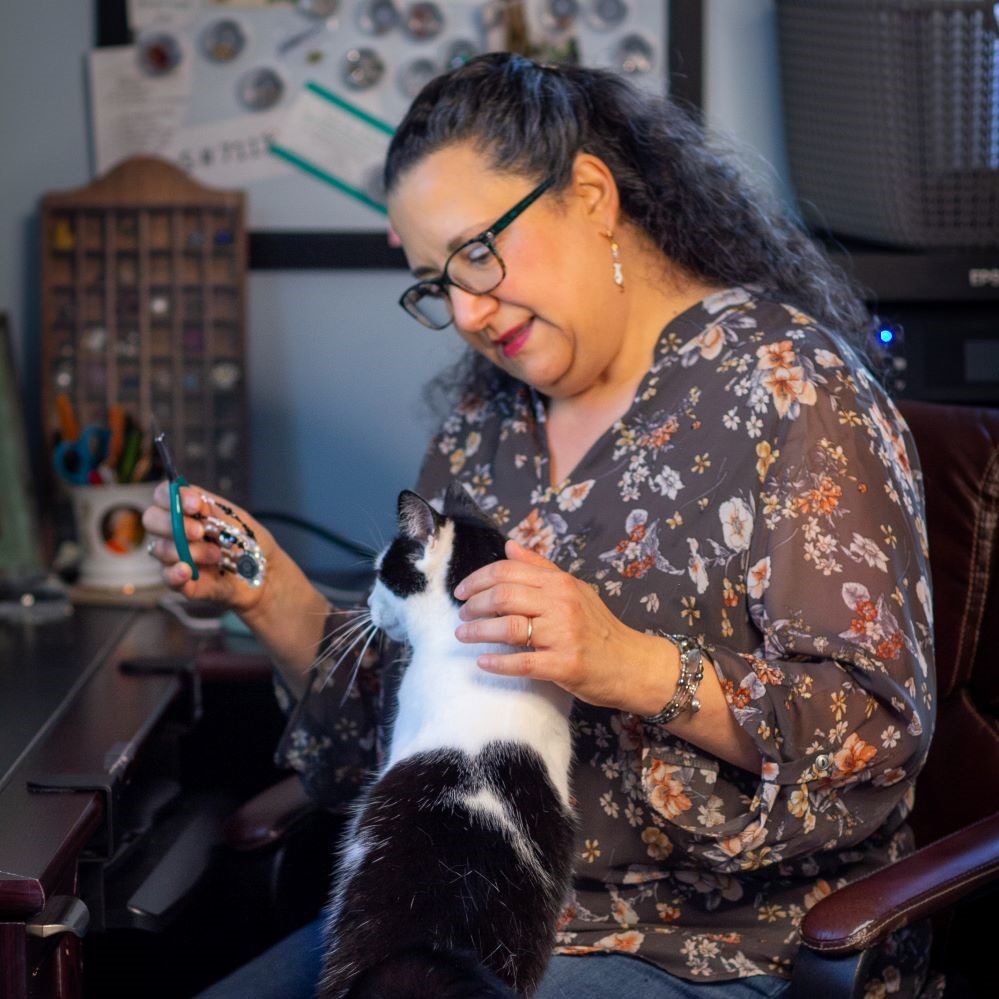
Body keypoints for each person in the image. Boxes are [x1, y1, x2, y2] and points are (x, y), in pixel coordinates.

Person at [143, 53, 936, 999]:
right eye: (438, 283)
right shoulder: (489, 423)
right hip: (452, 925)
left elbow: (874, 734)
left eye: (478, 252)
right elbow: (390, 754)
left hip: (711, 947)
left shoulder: (792, 389)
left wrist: (623, 660)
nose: (468, 313)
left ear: (592, 195)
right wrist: (267, 588)